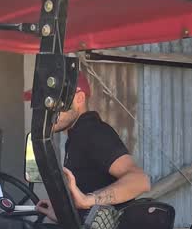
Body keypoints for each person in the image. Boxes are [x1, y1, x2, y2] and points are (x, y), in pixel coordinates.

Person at [24, 71, 151, 220]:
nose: (47, 112)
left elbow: (140, 180)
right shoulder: (75, 137)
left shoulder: (93, 132)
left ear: (79, 98)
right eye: (44, 105)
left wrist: (88, 200)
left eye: (54, 103)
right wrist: (65, 216)